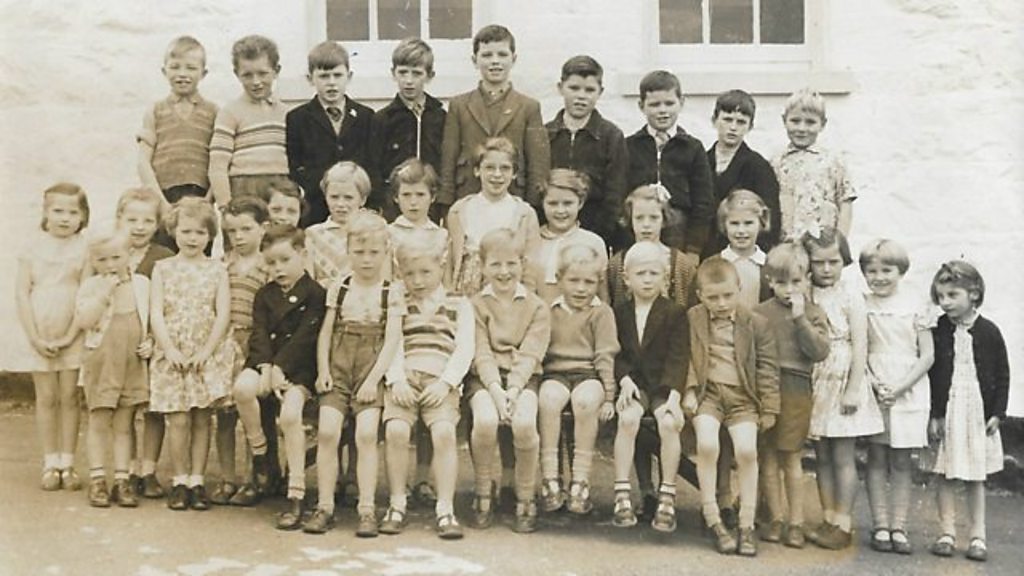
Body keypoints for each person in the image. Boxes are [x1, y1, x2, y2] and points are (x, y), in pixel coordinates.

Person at [305, 212, 403, 537]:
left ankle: (366, 508)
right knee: (327, 432)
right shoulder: (340, 286)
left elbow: (392, 340)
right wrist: (323, 369)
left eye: (374, 252)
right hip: (339, 364)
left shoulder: (391, 291)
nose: (366, 259)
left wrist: (373, 380)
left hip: (370, 367)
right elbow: (326, 332)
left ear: (386, 252)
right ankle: (325, 506)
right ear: (348, 251)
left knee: (366, 435)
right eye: (359, 252)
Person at [683, 258, 779, 556]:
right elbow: (687, 356)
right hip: (708, 394)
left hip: (742, 398)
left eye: (728, 295)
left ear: (739, 288)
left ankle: (746, 523)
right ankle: (713, 517)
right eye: (713, 297)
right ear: (700, 295)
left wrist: (769, 408)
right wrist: (689, 390)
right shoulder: (693, 318)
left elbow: (767, 368)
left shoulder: (756, 323)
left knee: (747, 451)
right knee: (707, 445)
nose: (722, 303)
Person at [232, 224, 325, 528]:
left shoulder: (316, 294)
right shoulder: (265, 295)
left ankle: (296, 492)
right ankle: (260, 452)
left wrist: (281, 367)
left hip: (299, 369)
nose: (278, 269)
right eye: (271, 263)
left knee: (289, 415)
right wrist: (265, 366)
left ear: (303, 255)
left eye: (285, 260)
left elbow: (305, 337)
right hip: (267, 363)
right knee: (242, 389)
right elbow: (259, 332)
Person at [381, 240, 475, 540]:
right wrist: (396, 379)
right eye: (409, 274)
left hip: (440, 381)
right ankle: (397, 503)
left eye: (425, 272)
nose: (418, 281)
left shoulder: (459, 303)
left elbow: (465, 348)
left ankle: (445, 508)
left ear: (441, 267)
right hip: (405, 379)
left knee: (444, 432)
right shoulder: (399, 303)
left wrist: (446, 383)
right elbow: (392, 343)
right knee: (396, 430)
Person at [148, 198, 234, 511]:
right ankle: (180, 480)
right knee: (178, 419)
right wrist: (169, 349)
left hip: (204, 353)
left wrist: (207, 350)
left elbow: (222, 314)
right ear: (174, 231)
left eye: (200, 232)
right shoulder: (163, 268)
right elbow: (156, 313)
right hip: (172, 352)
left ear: (210, 235)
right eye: (186, 231)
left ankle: (197, 480)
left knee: (201, 418)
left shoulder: (217, 269)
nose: (192, 238)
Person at [803, 227, 883, 548]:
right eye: (818, 262)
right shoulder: (806, 293)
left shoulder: (850, 296)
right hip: (817, 378)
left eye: (833, 262)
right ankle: (828, 518)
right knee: (821, 455)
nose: (826, 269)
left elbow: (861, 345)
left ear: (844, 261)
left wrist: (853, 388)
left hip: (843, 376)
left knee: (843, 456)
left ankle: (844, 522)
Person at [468, 229, 551, 533]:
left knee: (525, 424)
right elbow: (480, 352)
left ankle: (525, 494)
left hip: (523, 380)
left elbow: (531, 354)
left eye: (511, 264)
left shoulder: (537, 307)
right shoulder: (475, 305)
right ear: (482, 266)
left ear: (522, 264)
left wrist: (513, 390)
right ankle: (483, 490)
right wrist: (495, 390)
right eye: (495, 264)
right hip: (485, 380)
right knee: (486, 421)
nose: (504, 271)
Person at [927, 261, 1008, 563]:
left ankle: (978, 535)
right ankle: (946, 532)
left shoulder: (989, 332)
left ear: (973, 294)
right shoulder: (939, 329)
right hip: (949, 410)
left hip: (976, 412)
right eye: (941, 296)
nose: (945, 302)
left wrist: (997, 413)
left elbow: (1002, 374)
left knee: (976, 477)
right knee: (946, 474)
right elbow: (934, 374)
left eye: (952, 295)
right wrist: (934, 414)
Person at [859, 239, 936, 554]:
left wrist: (901, 387)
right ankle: (880, 525)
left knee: (902, 460)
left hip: (908, 387)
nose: (879, 277)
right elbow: (861, 349)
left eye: (886, 270)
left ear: (901, 271)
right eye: (871, 271)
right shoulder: (862, 304)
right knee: (876, 457)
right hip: (875, 386)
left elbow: (927, 355)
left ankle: (899, 526)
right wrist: (875, 384)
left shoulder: (916, 304)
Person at [754, 242, 830, 548]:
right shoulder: (759, 313)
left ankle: (796, 521)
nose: (789, 290)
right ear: (769, 281)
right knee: (768, 457)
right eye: (781, 282)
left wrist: (800, 320)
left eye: (796, 282)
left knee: (791, 457)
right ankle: (775, 518)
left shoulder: (813, 313)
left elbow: (819, 351)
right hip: (766, 387)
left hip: (796, 389)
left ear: (807, 279)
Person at [16, 183, 90, 491]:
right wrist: (34, 336)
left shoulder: (85, 249)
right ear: (45, 212)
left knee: (69, 397)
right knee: (46, 398)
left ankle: (68, 462)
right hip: (40, 331)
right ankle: (50, 462)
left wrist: (72, 334)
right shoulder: (33, 248)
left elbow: (86, 294)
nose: (64, 218)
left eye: (73, 212)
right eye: (58, 211)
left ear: (83, 215)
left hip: (72, 331)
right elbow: (22, 293)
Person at [610, 241, 688, 533]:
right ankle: (621, 492)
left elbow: (679, 357)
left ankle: (667, 494)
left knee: (668, 424)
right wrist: (623, 379)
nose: (647, 280)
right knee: (628, 419)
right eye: (640, 274)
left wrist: (675, 398)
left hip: (664, 386)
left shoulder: (675, 313)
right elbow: (615, 352)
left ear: (665, 277)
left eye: (654, 273)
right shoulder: (619, 312)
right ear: (626, 278)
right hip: (634, 384)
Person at [537, 244, 618, 516]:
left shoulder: (601, 312)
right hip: (555, 373)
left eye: (589, 282)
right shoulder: (549, 310)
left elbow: (605, 355)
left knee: (585, 402)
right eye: (573, 281)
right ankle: (550, 477)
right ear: (559, 280)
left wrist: (609, 396)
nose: (581, 289)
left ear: (598, 282)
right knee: (548, 399)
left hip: (589, 374)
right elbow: (539, 350)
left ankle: (580, 481)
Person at [75, 233, 152, 508]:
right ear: (93, 261)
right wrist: (104, 293)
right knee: (99, 420)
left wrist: (150, 341)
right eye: (102, 259)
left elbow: (150, 319)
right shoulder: (91, 286)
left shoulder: (141, 284)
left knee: (124, 424)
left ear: (129, 255)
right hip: (103, 360)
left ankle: (122, 479)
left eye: (116, 257)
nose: (110, 264)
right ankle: (97, 478)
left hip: (131, 360)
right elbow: (84, 321)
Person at [439, 24, 550, 214]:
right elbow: (448, 160)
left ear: (513, 59)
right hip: (468, 197)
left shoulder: (528, 107)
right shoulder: (459, 105)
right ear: (475, 60)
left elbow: (538, 166)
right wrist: (446, 206)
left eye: (502, 54)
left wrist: (533, 208)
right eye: (487, 55)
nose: (495, 61)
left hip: (514, 200)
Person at [113, 188, 173, 497]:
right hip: (118, 345)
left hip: (152, 345)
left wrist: (154, 339)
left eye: (147, 220)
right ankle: (126, 470)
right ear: (119, 219)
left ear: (157, 223)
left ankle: (147, 470)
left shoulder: (163, 257)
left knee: (153, 409)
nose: (139, 226)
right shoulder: (110, 253)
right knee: (124, 408)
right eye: (132, 219)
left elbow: (169, 306)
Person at [214, 197, 271, 506]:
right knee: (224, 416)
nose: (239, 237)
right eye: (232, 231)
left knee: (253, 412)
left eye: (246, 229)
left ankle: (253, 478)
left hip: (256, 343)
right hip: (225, 343)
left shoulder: (269, 265)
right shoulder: (222, 264)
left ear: (263, 228)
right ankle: (227, 478)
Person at [136, 35, 218, 252]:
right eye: (175, 67)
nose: (182, 74)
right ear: (164, 71)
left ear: (203, 73)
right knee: (163, 255)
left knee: (197, 253)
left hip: (199, 196)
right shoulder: (155, 110)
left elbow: (219, 160)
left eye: (191, 68)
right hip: (164, 196)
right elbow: (143, 161)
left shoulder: (213, 112)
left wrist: (208, 201)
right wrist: (161, 203)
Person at [625, 70, 713, 256]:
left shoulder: (692, 148)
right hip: (638, 233)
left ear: (681, 102)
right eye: (654, 104)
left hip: (680, 235)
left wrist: (694, 249)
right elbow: (620, 194)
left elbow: (703, 203)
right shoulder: (629, 146)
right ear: (641, 106)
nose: (662, 110)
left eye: (669, 103)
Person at [287, 41, 374, 226]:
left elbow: (372, 164)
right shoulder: (298, 118)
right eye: (324, 76)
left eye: (337, 75)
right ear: (310, 78)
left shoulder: (365, 116)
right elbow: (295, 167)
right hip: (315, 208)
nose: (332, 83)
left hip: (354, 207)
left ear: (349, 76)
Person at [546, 55, 628, 249]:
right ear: (560, 88)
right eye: (574, 88)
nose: (581, 96)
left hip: (595, 232)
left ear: (600, 92)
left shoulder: (611, 136)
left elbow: (615, 195)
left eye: (589, 90)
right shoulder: (545, 134)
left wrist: (596, 236)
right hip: (550, 230)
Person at [446, 137, 540, 296]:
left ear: (514, 173)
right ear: (477, 170)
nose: (497, 175)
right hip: (466, 294)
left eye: (505, 168)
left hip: (507, 292)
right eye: (489, 167)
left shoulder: (524, 214)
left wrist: (525, 298)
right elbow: (450, 260)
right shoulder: (459, 210)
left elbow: (531, 265)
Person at [208, 35, 291, 210]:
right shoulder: (230, 113)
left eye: (262, 73)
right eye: (247, 75)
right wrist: (225, 206)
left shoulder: (287, 113)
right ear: (236, 74)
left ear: (276, 70)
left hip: (281, 190)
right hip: (243, 189)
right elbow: (218, 166)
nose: (256, 82)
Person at [369, 38, 446, 221]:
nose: (409, 81)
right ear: (393, 73)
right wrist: (381, 202)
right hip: (393, 205)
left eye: (416, 73)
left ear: (430, 75)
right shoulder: (383, 118)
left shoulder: (440, 117)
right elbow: (374, 166)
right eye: (403, 73)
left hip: (430, 203)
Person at [703, 89, 780, 258]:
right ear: (714, 120)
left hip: (744, 252)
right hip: (706, 252)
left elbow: (770, 218)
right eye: (727, 119)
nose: (733, 127)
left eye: (741, 122)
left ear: (750, 126)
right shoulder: (701, 161)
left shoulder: (758, 167)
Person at [773, 89, 855, 240]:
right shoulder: (776, 161)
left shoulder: (833, 161)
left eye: (810, 122)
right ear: (784, 121)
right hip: (785, 244)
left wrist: (840, 242)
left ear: (822, 124)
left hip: (822, 245)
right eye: (795, 121)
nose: (801, 128)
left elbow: (845, 203)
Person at [527, 169, 609, 303]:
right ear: (543, 203)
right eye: (553, 203)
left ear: (580, 203)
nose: (560, 210)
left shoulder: (593, 242)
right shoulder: (532, 240)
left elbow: (602, 296)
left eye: (567, 203)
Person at [607, 185, 696, 307]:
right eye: (639, 218)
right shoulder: (616, 264)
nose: (646, 225)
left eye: (654, 218)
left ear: (663, 219)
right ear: (630, 220)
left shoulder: (682, 264)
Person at [306, 161, 372, 287]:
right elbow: (308, 282)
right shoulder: (312, 235)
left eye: (348, 198)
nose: (340, 204)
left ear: (362, 199)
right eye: (334, 197)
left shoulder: (374, 232)